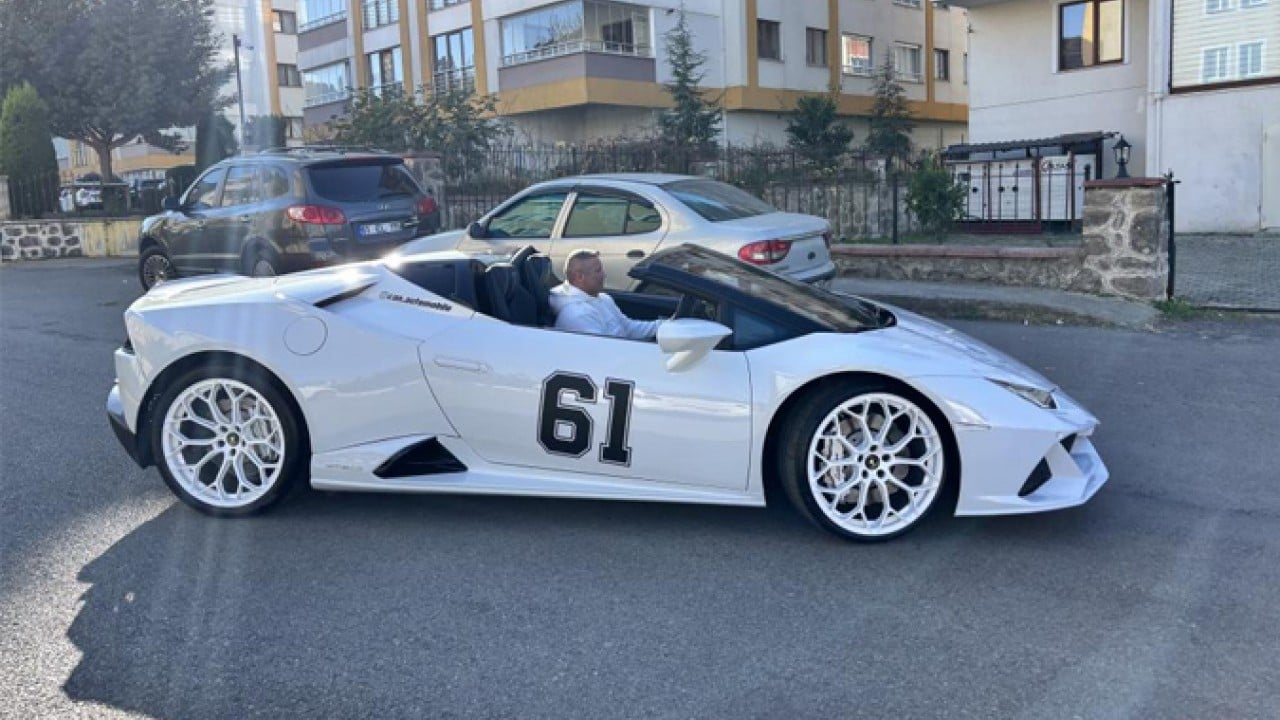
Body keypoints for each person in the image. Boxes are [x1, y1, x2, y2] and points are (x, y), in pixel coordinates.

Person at [549, 249, 662, 340]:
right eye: (598, 271)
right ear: (580, 277)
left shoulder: (603, 298)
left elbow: (628, 328)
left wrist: (663, 326)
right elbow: (605, 352)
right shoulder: (577, 315)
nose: (604, 275)